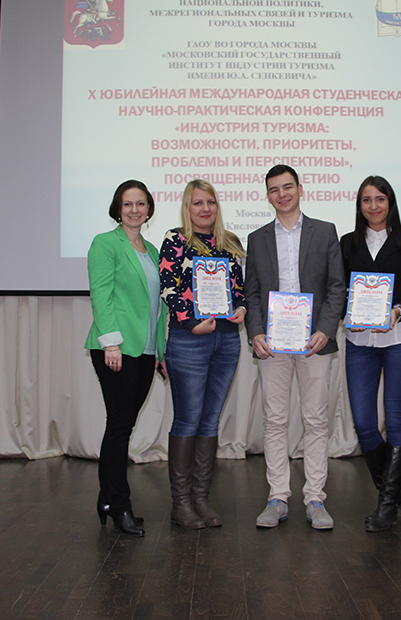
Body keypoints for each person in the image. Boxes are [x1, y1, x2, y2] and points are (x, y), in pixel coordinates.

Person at [244, 164, 346, 530]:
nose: (282, 194)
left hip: (314, 342)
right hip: (272, 343)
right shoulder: (257, 238)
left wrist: (325, 330)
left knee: (315, 420)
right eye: (274, 189)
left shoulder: (325, 231)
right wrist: (256, 333)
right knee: (274, 420)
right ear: (267, 196)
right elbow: (252, 292)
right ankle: (277, 497)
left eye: (288, 187)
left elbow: (337, 287)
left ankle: (315, 498)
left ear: (300, 189)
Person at [340, 176, 401, 532]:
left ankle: (387, 505)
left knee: (395, 419)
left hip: (400, 341)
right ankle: (390, 491)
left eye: (380, 199)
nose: (373, 206)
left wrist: (398, 310)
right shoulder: (347, 243)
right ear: (359, 205)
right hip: (359, 342)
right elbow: (337, 289)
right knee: (364, 423)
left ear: (390, 203)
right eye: (367, 200)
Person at [158, 180, 247, 529]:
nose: (205, 209)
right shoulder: (175, 239)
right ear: (187, 207)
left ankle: (201, 499)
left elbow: (239, 289)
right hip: (188, 339)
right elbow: (167, 286)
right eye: (198, 203)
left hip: (227, 340)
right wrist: (191, 322)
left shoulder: (229, 243)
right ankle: (180, 503)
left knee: (210, 420)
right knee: (188, 419)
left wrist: (241, 308)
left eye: (210, 202)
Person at [85, 180, 168, 537]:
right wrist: (111, 343)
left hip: (145, 350)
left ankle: (107, 498)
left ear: (149, 209)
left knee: (123, 426)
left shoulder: (152, 250)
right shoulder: (105, 244)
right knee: (120, 426)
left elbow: (159, 307)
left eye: (140, 204)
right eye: (127, 204)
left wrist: (160, 351)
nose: (134, 210)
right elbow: (101, 294)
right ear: (117, 209)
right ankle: (120, 505)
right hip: (117, 349)